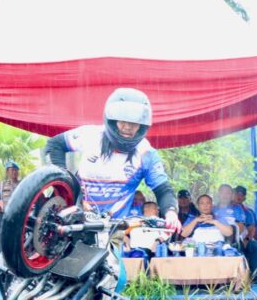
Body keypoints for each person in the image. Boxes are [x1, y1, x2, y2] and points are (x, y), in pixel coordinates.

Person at [42, 87, 180, 231]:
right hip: (71, 220)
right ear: (112, 120)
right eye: (122, 121)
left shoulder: (147, 153)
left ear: (142, 125)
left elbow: (163, 189)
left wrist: (171, 213)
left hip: (112, 228)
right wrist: (64, 182)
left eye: (134, 123)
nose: (127, 127)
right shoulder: (91, 135)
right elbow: (54, 145)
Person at [215, 183, 257, 278]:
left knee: (254, 246)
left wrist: (246, 240)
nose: (239, 196)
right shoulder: (212, 208)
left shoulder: (242, 210)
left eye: (242, 195)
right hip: (216, 238)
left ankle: (252, 276)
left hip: (238, 238)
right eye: (237, 193)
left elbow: (249, 228)